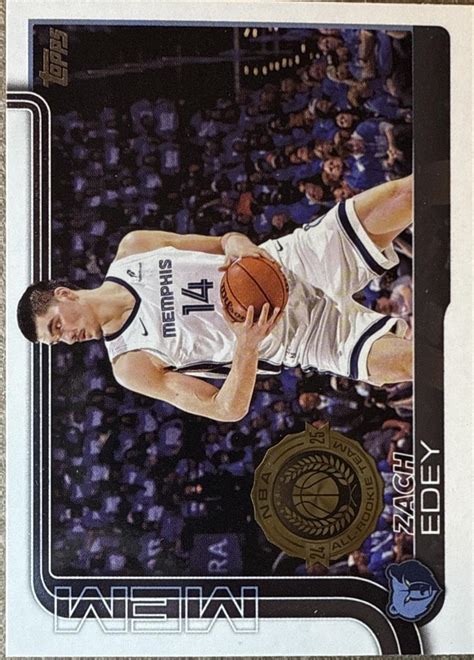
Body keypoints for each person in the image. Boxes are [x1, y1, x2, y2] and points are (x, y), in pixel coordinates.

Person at [17, 176, 413, 422]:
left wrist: (238, 243)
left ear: (64, 294)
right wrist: (247, 346)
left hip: (292, 262)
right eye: (57, 341)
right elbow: (226, 409)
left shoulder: (134, 248)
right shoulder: (129, 365)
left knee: (408, 193)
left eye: (57, 325)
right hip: (302, 336)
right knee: (415, 363)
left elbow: (224, 242)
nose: (66, 338)